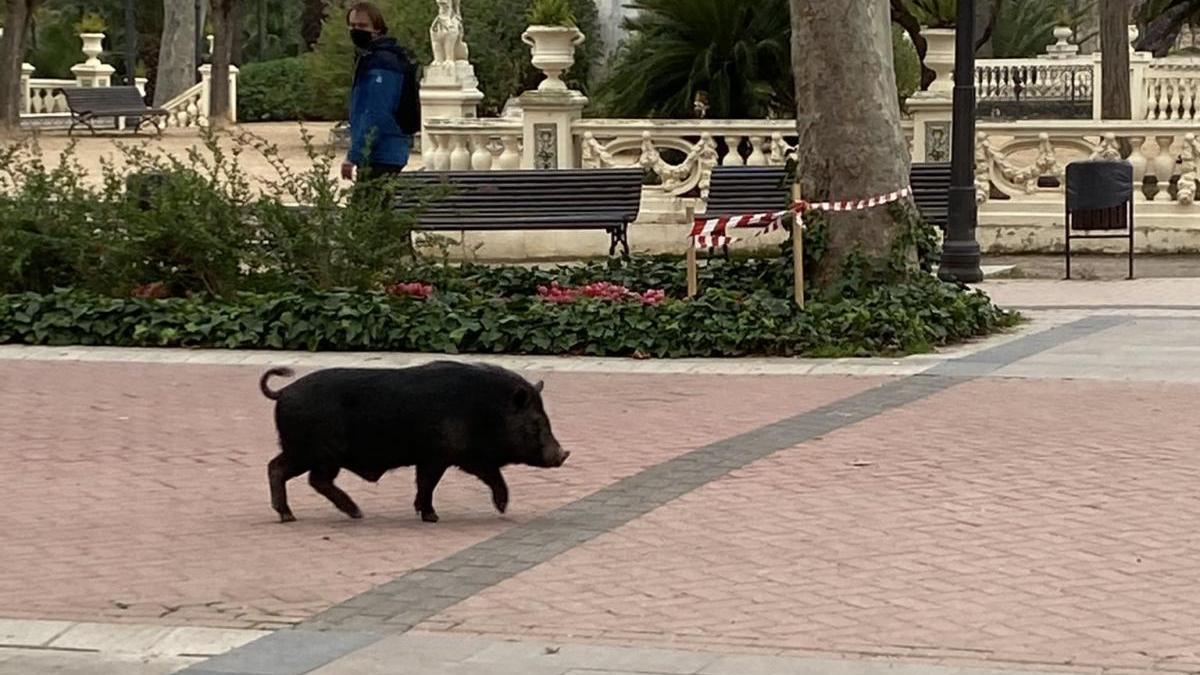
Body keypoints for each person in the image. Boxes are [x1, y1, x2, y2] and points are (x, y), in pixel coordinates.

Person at [342, 2, 418, 184]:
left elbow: (376, 112)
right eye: (352, 26)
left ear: (377, 29)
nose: (355, 30)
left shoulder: (382, 63)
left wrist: (355, 154)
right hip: (385, 152)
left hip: (382, 152)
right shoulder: (373, 58)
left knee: (366, 209)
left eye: (362, 26)